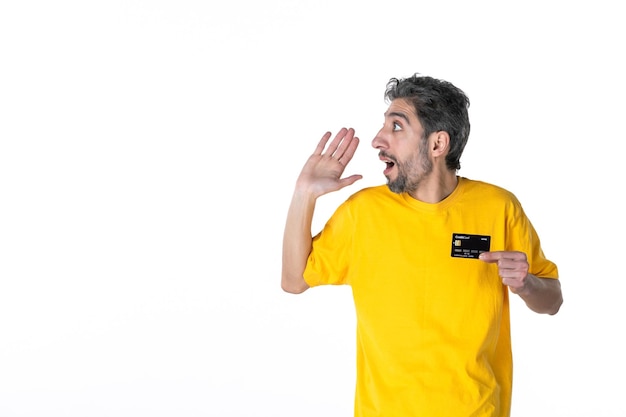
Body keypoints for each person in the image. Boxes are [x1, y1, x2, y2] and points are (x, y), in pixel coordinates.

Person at [281, 73, 563, 417]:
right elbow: (294, 281)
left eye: (397, 127)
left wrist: (527, 284)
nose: (377, 139)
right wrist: (304, 194)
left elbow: (552, 301)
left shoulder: (498, 207)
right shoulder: (363, 212)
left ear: (437, 144)